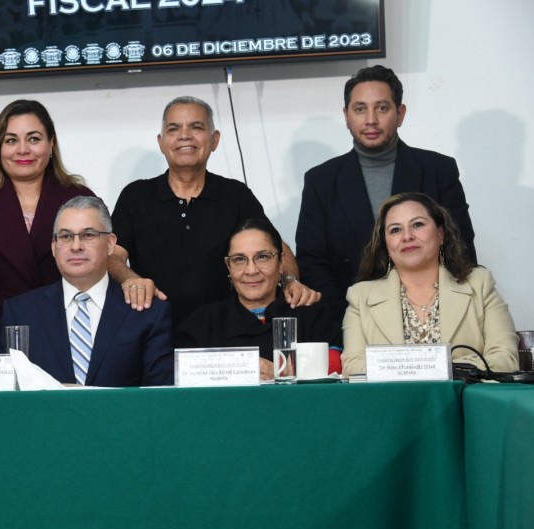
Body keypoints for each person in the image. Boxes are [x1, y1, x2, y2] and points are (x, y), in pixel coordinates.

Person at [110, 95, 318, 326]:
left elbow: (278, 249)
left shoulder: (235, 194)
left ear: (215, 140)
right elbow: (111, 256)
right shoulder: (136, 195)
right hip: (153, 328)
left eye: (196, 127)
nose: (185, 135)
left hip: (225, 332)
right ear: (161, 142)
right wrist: (130, 279)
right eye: (174, 128)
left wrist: (289, 281)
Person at [297, 65, 477, 314]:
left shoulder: (438, 169)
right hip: (348, 315)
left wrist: (433, 311)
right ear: (346, 115)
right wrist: (350, 316)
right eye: (360, 109)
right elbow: (312, 261)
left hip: (432, 315)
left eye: (382, 108)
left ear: (400, 114)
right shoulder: (322, 180)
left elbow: (461, 247)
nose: (371, 119)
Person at [0, 99, 95, 329]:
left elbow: (98, 271)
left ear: (51, 143)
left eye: (34, 139)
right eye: (11, 140)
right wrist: (6, 319)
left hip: (71, 331)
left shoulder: (81, 199)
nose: (23, 149)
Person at [0, 196, 174, 387]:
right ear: (53, 247)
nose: (76, 246)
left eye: (88, 235)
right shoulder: (20, 313)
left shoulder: (147, 313)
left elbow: (159, 399)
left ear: (110, 244)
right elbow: (5, 394)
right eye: (65, 237)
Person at [342, 192, 517, 376]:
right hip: (392, 403)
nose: (407, 236)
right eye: (395, 230)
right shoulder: (360, 296)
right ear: (386, 243)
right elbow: (353, 367)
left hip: (463, 402)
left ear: (440, 234)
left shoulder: (479, 284)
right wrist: (435, 367)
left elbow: (506, 359)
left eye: (417, 225)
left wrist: (432, 367)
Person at [177, 219, 342, 381]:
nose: (251, 270)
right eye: (239, 259)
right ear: (228, 266)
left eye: (262, 257)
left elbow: (336, 369)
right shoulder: (202, 324)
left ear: (281, 262)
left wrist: (281, 371)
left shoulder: (313, 315)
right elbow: (184, 386)